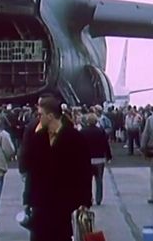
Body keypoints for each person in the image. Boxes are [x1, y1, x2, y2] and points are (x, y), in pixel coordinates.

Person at [24, 94, 92, 241]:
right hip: (41, 203)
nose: (38, 118)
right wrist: (28, 198)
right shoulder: (37, 138)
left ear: (50, 116)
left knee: (61, 236)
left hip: (65, 202)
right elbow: (30, 170)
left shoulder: (74, 138)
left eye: (40, 114)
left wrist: (85, 201)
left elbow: (84, 171)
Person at [80, 113, 112, 206]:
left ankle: (88, 198)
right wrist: (109, 156)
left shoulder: (82, 132)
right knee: (99, 180)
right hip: (99, 159)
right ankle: (98, 199)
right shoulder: (101, 131)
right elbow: (106, 145)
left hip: (86, 160)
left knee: (87, 181)